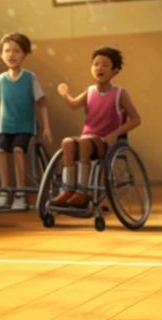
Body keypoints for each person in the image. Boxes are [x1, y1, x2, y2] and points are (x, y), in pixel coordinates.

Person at [54, 47, 142, 209]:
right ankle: (67, 189)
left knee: (85, 142)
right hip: (87, 140)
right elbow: (74, 105)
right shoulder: (90, 91)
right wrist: (65, 94)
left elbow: (136, 119)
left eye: (105, 65)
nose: (99, 68)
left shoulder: (119, 93)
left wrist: (115, 134)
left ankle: (83, 192)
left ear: (115, 71)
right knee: (67, 142)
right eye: (96, 64)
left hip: (105, 143)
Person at [0, 32, 52, 212]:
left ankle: (21, 192)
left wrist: (46, 127)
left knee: (17, 150)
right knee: (0, 150)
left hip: (25, 127)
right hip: (6, 127)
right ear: (1, 54)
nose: (11, 55)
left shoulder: (30, 78)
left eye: (16, 51)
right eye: (7, 51)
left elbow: (42, 103)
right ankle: (5, 191)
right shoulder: (0, 80)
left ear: (25, 54)